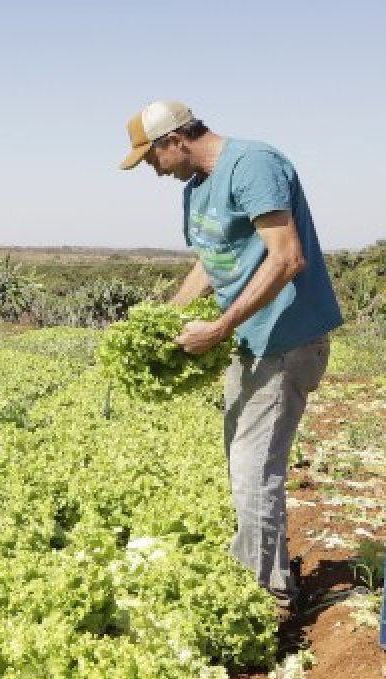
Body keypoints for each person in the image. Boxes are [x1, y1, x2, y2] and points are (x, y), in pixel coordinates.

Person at [119, 100, 343, 614]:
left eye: (151, 158)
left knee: (254, 469)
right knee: (243, 463)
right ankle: (264, 573)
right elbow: (211, 261)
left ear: (175, 140)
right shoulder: (198, 187)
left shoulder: (253, 165)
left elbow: (287, 257)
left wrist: (220, 326)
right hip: (249, 341)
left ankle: (266, 598)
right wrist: (166, 318)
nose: (154, 171)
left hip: (285, 340)